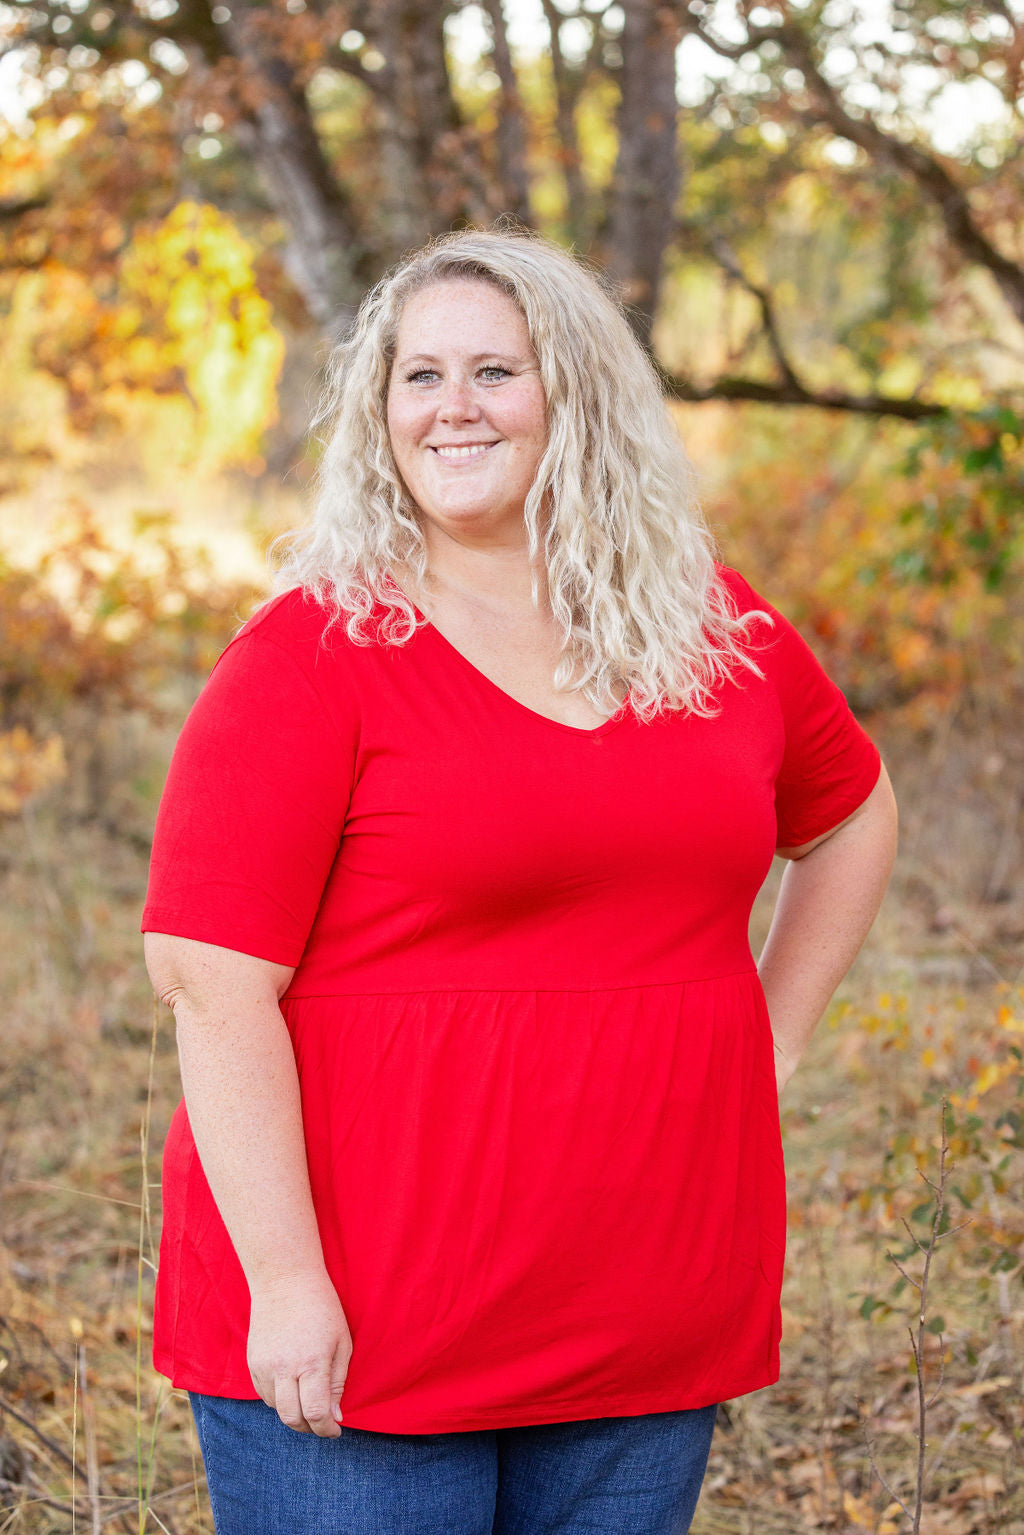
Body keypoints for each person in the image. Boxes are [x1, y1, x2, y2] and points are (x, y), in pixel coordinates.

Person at [141, 227, 898, 1535]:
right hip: (367, 1324)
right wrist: (285, 1281)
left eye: (495, 370)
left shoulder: (710, 627)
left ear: (576, 394)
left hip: (644, 1295)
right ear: (379, 415)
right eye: (418, 376)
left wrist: (760, 1048)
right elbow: (211, 988)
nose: (454, 408)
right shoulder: (311, 657)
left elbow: (852, 810)